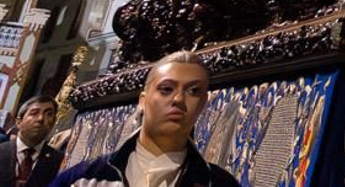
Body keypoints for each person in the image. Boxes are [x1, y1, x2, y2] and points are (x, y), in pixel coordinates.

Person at [50, 50, 242, 187]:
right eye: (166, 89)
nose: (178, 99)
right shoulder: (84, 179)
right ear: (142, 101)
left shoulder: (218, 183)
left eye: (193, 91)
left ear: (203, 104)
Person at [0, 97, 61, 187]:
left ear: (53, 123)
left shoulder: (59, 161)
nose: (40, 119)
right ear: (18, 122)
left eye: (49, 114)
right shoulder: (1, 151)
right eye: (34, 113)